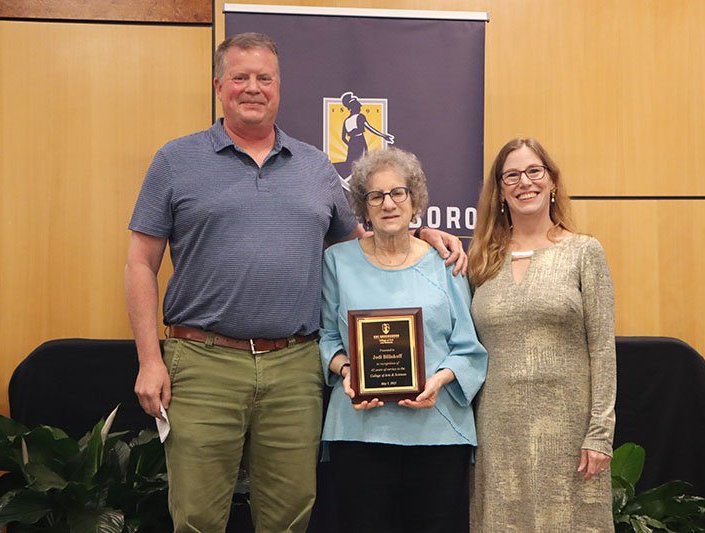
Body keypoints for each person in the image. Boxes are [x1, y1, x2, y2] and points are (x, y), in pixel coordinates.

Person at [124, 32, 465, 533]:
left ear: (280, 88)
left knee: (289, 517)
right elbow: (139, 264)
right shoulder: (176, 161)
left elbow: (362, 246)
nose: (253, 87)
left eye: (265, 78)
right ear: (219, 86)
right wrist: (149, 360)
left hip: (295, 368)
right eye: (240, 77)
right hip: (201, 364)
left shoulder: (314, 166)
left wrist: (419, 231)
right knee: (196, 517)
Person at [319, 147, 487, 533]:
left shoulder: (446, 261)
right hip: (358, 430)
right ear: (363, 208)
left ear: (415, 202)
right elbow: (327, 337)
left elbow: (468, 347)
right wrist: (347, 371)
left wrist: (438, 381)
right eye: (375, 196)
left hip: (438, 429)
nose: (388, 203)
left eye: (398, 193)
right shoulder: (337, 262)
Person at [467, 138, 616, 531]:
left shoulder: (585, 252)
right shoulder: (480, 260)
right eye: (511, 175)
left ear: (552, 181)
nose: (524, 182)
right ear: (500, 191)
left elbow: (602, 350)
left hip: (570, 434)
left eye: (534, 171)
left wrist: (600, 434)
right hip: (498, 432)